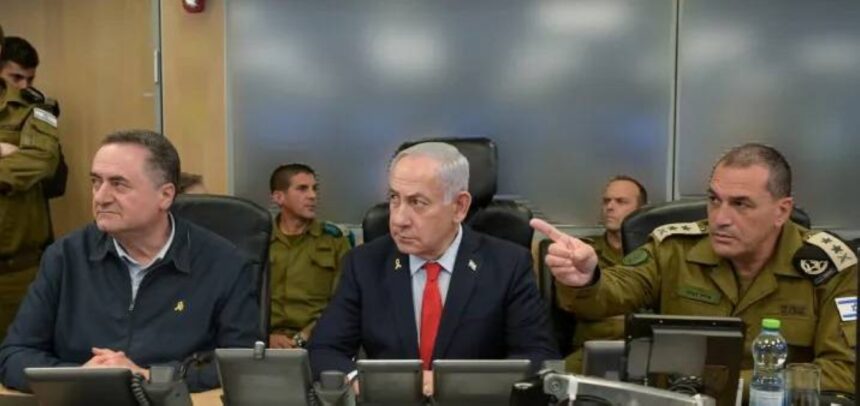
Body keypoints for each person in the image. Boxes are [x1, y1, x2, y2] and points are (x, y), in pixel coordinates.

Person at [533, 143, 856, 393]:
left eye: (740, 204)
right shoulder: (674, 248)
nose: (720, 218)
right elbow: (616, 289)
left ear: (781, 211)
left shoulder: (828, 268)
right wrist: (586, 278)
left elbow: (844, 371)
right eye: (714, 200)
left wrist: (732, 387)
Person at [0, 130, 259, 392]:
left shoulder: (224, 263)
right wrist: (80, 376)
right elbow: (14, 355)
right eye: (96, 182)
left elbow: (243, 364)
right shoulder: (65, 256)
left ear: (165, 196)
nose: (101, 197)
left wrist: (149, 377)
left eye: (118, 184)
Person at [309, 142, 558, 394]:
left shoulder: (508, 264)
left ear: (459, 207)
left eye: (417, 202)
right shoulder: (364, 263)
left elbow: (539, 357)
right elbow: (324, 349)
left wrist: (449, 385)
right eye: (394, 198)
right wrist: (360, 383)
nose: (398, 219)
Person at [0, 58, 59, 342]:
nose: (25, 84)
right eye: (17, 76)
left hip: (13, 269)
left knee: (19, 353)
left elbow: (42, 161)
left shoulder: (34, 109)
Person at [564, 175, 648, 373]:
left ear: (641, 210)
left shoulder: (653, 253)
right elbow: (573, 303)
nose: (610, 207)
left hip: (644, 350)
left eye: (621, 201)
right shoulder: (583, 252)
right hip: (593, 348)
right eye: (606, 201)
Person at [268, 163, 352, 349]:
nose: (312, 195)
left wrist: (306, 336)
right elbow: (244, 301)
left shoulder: (334, 241)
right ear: (279, 197)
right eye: (302, 189)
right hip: (265, 342)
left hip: (320, 340)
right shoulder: (260, 241)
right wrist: (265, 336)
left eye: (314, 189)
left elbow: (345, 301)